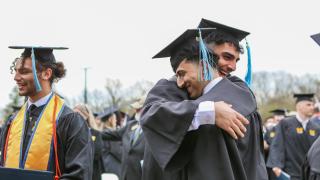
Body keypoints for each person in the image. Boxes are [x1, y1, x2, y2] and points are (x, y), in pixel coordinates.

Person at [141, 19, 267, 180]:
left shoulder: (237, 90)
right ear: (204, 54)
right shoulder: (170, 88)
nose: (233, 67)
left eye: (236, 60)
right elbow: (152, 116)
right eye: (226, 57)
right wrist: (208, 110)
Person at [0, 46, 93, 179]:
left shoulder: (70, 122)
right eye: (16, 71)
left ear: (46, 74)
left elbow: (79, 176)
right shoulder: (13, 121)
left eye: (24, 71)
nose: (16, 77)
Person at [267, 93, 320, 180]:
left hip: (309, 172)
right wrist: (277, 166)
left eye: (313, 105)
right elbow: (277, 145)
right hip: (291, 172)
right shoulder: (285, 124)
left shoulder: (316, 128)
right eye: (308, 105)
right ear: (299, 106)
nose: (312, 107)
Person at [101, 96, 146, 180]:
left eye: (139, 109)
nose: (136, 111)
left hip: (141, 175)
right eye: (135, 108)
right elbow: (111, 134)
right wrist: (90, 131)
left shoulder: (153, 129)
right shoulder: (131, 125)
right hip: (125, 175)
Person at [74, 103, 104, 180]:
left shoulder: (95, 133)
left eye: (78, 114)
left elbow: (97, 153)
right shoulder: (71, 134)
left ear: (86, 116)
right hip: (75, 173)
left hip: (92, 173)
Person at [98, 106, 122, 177]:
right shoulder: (110, 134)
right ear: (110, 119)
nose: (116, 121)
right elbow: (118, 152)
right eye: (115, 118)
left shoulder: (101, 133)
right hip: (113, 168)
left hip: (105, 166)